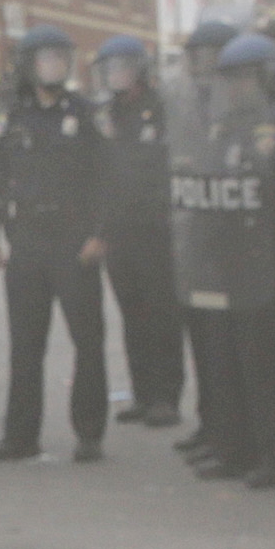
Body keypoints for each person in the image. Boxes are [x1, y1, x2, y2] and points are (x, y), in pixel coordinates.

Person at [175, 32, 275, 488]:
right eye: (229, 79)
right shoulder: (223, 126)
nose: (234, 88)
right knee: (231, 363)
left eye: (244, 79)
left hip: (268, 261)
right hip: (227, 261)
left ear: (267, 77)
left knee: (269, 364)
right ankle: (237, 448)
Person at [0, 24, 109, 464]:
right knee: (25, 345)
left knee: (87, 339)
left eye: (62, 58)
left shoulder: (87, 114)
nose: (56, 66)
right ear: (29, 66)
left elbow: (107, 178)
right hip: (28, 241)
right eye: (47, 58)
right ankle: (20, 436)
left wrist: (100, 233)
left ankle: (89, 432)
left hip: (74, 241)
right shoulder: (12, 118)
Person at [92, 34, 185, 424]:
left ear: (140, 71)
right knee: (133, 312)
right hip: (118, 229)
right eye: (110, 69)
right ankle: (143, 392)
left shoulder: (159, 109)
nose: (116, 76)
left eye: (123, 68)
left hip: (154, 227)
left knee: (161, 312)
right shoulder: (105, 115)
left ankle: (166, 396)